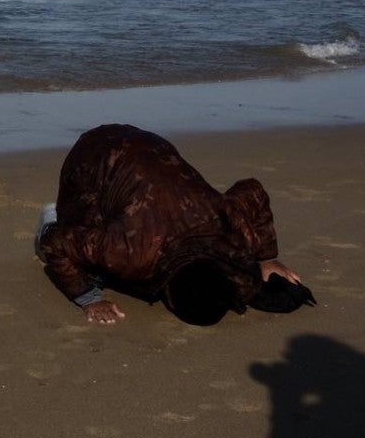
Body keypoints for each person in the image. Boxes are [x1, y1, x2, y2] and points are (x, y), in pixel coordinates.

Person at [35, 124, 314, 326]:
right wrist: (89, 298)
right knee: (89, 264)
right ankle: (49, 217)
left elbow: (252, 190)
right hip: (91, 157)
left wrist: (265, 257)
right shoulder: (131, 252)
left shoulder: (228, 224)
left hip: (151, 146)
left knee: (113, 231)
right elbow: (55, 244)